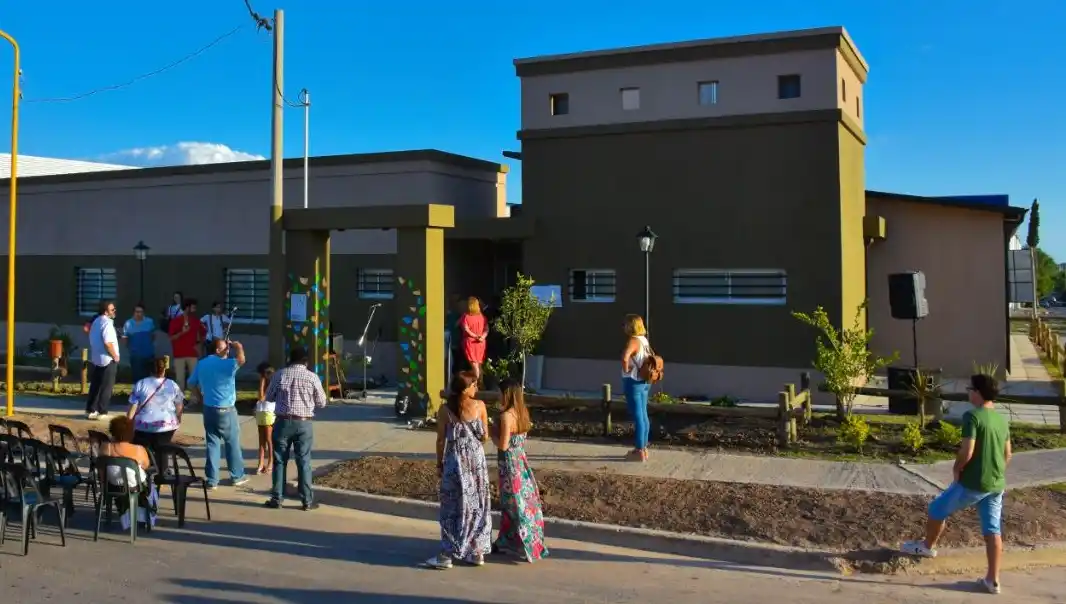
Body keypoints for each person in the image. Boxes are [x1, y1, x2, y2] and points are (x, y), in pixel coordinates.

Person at [901, 373, 1012, 594]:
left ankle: (927, 547)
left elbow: (967, 451)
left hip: (972, 482)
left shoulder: (972, 416)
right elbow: (1008, 454)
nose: (968, 392)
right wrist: (996, 472)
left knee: (936, 509)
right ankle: (993, 580)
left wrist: (957, 468)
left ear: (978, 393)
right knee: (992, 530)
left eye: (970, 389)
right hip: (996, 484)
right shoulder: (1001, 419)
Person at [424, 371, 492, 570]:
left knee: (453, 504)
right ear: (465, 388)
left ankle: (448, 553)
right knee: (477, 502)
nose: (476, 388)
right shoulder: (480, 406)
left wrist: (439, 464)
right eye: (473, 385)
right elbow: (484, 436)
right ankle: (476, 551)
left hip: (455, 460)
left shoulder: (445, 410)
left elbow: (440, 440)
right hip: (476, 461)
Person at [263, 346, 329, 511]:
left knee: (279, 460)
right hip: (304, 423)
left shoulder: (280, 375)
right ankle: (306, 501)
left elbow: (269, 397)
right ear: (306, 362)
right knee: (304, 461)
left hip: (283, 422)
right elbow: (322, 402)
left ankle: (277, 498)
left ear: (289, 360)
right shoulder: (312, 377)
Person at [490, 378, 549, 562]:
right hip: (521, 462)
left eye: (500, 393)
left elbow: (503, 445)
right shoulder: (522, 413)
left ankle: (515, 541)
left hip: (509, 465)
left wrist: (491, 431)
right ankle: (520, 541)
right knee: (524, 501)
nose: (498, 396)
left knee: (511, 505)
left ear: (506, 394)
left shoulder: (506, 416)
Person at [188, 339, 248, 489]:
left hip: (209, 408)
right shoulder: (227, 364)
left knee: (212, 443)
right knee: (232, 443)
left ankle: (212, 480)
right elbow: (241, 360)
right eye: (225, 348)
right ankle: (237, 475)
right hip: (226, 409)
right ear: (217, 350)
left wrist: (199, 397)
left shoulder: (202, 363)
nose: (228, 350)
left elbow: (191, 383)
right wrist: (239, 346)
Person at [128, 357, 184, 476]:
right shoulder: (172, 384)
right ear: (164, 370)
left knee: (144, 448)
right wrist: (178, 418)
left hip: (143, 425)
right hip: (166, 425)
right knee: (162, 449)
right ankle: (163, 474)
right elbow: (179, 404)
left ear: (149, 370)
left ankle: (145, 472)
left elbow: (133, 407)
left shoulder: (141, 384)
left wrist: (129, 422)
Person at [103, 416, 158, 531]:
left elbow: (101, 467)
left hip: (112, 485)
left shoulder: (105, 447)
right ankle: (146, 518)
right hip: (135, 487)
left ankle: (127, 516)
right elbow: (146, 466)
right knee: (151, 486)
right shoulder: (139, 449)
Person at [621, 314, 651, 463]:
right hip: (645, 381)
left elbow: (625, 357)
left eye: (625, 324)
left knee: (638, 416)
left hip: (633, 381)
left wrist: (626, 369)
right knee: (644, 415)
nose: (623, 326)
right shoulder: (644, 340)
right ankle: (644, 448)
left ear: (630, 326)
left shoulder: (633, 341)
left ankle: (638, 451)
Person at [85, 300, 120, 420]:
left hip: (97, 358)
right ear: (106, 312)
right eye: (112, 310)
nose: (114, 311)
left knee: (96, 385)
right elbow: (107, 343)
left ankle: (90, 410)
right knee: (106, 387)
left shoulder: (96, 321)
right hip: (108, 359)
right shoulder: (107, 323)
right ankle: (102, 411)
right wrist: (115, 355)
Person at [168, 299, 205, 392]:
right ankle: (180, 399)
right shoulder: (175, 321)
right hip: (179, 354)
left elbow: (202, 335)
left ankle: (195, 398)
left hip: (193, 354)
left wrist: (199, 348)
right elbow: (171, 338)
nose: (195, 310)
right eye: (193, 307)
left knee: (194, 379)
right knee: (179, 380)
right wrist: (182, 332)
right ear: (187, 308)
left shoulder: (196, 321)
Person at [122, 303, 157, 383]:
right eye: (137, 312)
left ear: (144, 313)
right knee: (137, 378)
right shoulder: (128, 323)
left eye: (141, 312)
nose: (139, 314)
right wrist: (131, 349)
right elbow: (125, 339)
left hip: (149, 354)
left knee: (148, 378)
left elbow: (153, 336)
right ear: (133, 312)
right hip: (135, 355)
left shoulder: (149, 322)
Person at [458, 297, 489, 382]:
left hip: (470, 343)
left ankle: (477, 382)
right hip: (481, 342)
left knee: (474, 365)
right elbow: (487, 329)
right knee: (479, 365)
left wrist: (475, 336)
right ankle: (480, 382)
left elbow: (466, 329)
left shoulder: (465, 316)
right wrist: (482, 337)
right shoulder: (482, 317)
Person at [255, 362, 277, 476]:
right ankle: (261, 462)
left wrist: (262, 383)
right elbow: (259, 399)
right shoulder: (264, 383)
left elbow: (262, 397)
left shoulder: (272, 384)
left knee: (269, 439)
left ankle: (271, 462)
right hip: (260, 411)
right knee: (261, 440)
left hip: (269, 412)